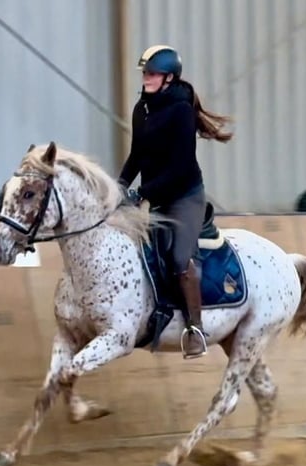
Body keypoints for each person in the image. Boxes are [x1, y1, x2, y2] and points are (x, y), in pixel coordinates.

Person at [117, 45, 233, 359]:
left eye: (152, 74)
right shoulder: (142, 109)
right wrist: (120, 187)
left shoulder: (181, 110)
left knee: (181, 257)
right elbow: (137, 155)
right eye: (145, 73)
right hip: (156, 196)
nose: (146, 78)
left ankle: (196, 329)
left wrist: (142, 193)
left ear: (169, 77)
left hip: (184, 196)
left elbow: (180, 166)